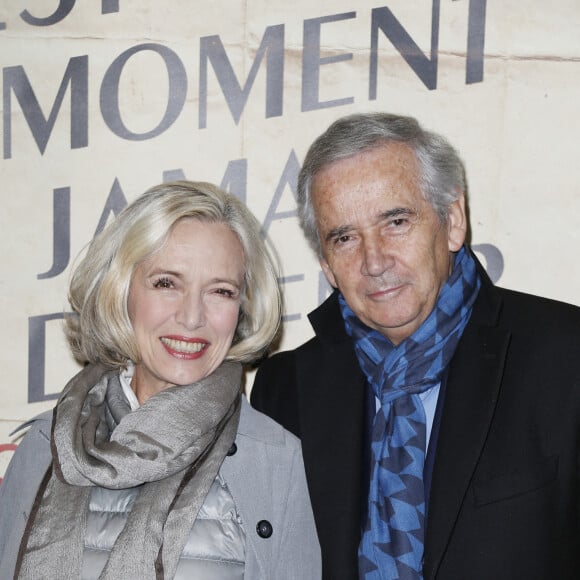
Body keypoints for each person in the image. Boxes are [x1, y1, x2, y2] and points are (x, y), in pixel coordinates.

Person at [251, 112, 580, 580]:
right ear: (326, 265)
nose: (374, 260)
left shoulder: (565, 357)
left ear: (453, 220)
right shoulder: (284, 391)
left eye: (396, 221)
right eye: (344, 237)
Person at [0, 180, 321, 579]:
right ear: (121, 291)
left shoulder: (278, 461)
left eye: (220, 291)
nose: (191, 317)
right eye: (166, 283)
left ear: (241, 308)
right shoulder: (47, 444)